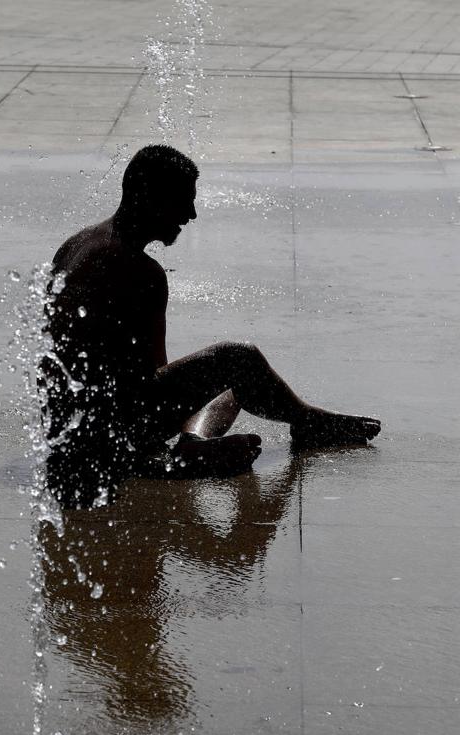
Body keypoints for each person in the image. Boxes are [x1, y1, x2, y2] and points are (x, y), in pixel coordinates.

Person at [42, 144, 380, 507]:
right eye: (182, 201)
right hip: (107, 438)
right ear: (148, 197)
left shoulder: (78, 243)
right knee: (239, 360)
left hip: (69, 426)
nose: (191, 214)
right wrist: (164, 461)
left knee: (235, 390)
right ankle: (293, 425)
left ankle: (200, 442)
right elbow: (151, 383)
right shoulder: (138, 271)